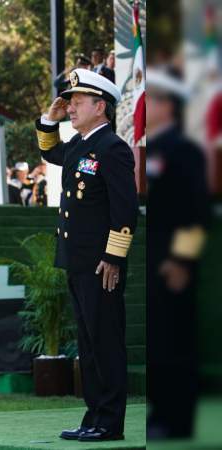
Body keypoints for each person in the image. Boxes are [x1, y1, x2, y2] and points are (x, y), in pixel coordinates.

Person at [36, 68, 138, 442]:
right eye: (70, 101)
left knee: (105, 342)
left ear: (101, 107)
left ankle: (110, 422)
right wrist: (51, 118)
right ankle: (94, 415)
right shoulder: (80, 145)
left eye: (78, 102)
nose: (71, 107)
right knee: (89, 344)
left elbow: (124, 210)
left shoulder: (112, 148)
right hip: (77, 260)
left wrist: (114, 257)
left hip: (100, 263)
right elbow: (48, 149)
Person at [145, 67, 210, 440]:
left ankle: (177, 420)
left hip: (174, 260)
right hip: (153, 255)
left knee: (176, 341)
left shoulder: (184, 151)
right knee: (158, 340)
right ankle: (159, 413)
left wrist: (183, 260)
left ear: (168, 105)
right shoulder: (152, 149)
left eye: (150, 98)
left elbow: (196, 211)